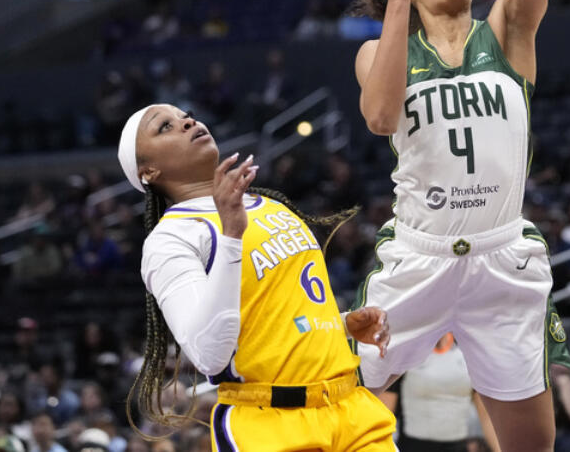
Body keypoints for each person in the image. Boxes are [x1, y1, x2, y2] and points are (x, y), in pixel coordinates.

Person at [349, 0, 570, 452]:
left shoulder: (508, 32)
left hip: (506, 256)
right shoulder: (379, 51)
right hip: (418, 257)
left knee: (533, 443)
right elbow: (381, 116)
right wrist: (398, 2)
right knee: (333, 397)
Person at [116, 104, 396, 452]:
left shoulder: (271, 206)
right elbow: (209, 354)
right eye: (164, 127)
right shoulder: (171, 239)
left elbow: (267, 319)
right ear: (149, 171)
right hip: (272, 424)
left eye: (185, 114)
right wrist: (231, 233)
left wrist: (339, 324)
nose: (187, 121)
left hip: (351, 409)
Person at [378, 333, 500, 452]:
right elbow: (384, 413)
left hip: (458, 446)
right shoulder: (406, 348)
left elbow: (486, 416)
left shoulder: (468, 347)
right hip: (413, 446)